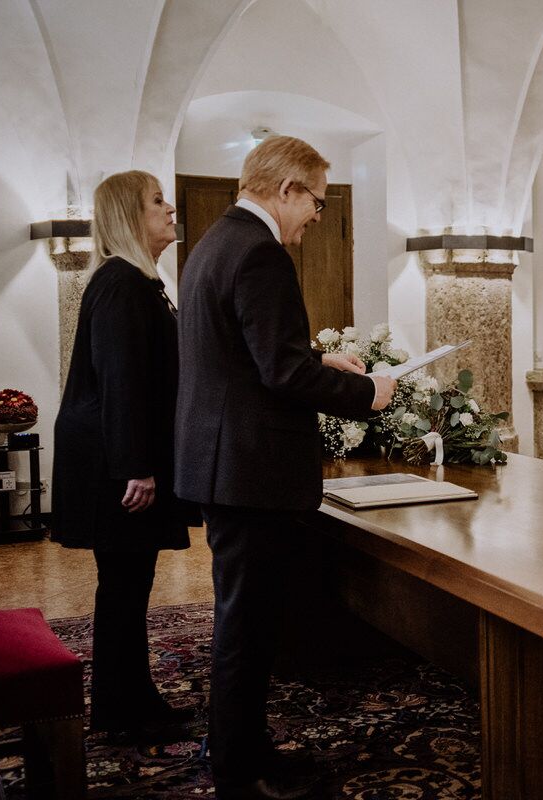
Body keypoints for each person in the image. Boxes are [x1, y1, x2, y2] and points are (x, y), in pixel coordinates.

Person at [174, 136, 395, 800]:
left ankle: (239, 745)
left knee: (241, 617)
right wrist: (368, 393)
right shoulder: (261, 253)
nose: (318, 217)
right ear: (287, 190)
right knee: (248, 625)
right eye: (317, 203)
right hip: (250, 472)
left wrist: (317, 363)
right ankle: (241, 766)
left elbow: (246, 358)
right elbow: (279, 372)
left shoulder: (213, 244)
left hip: (222, 466)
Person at [52, 170, 195, 740]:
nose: (169, 207)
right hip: (116, 466)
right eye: (157, 200)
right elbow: (121, 382)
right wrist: (137, 467)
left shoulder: (142, 281)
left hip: (123, 459)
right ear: (128, 216)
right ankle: (118, 711)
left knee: (131, 584)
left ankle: (134, 698)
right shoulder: (120, 283)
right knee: (123, 587)